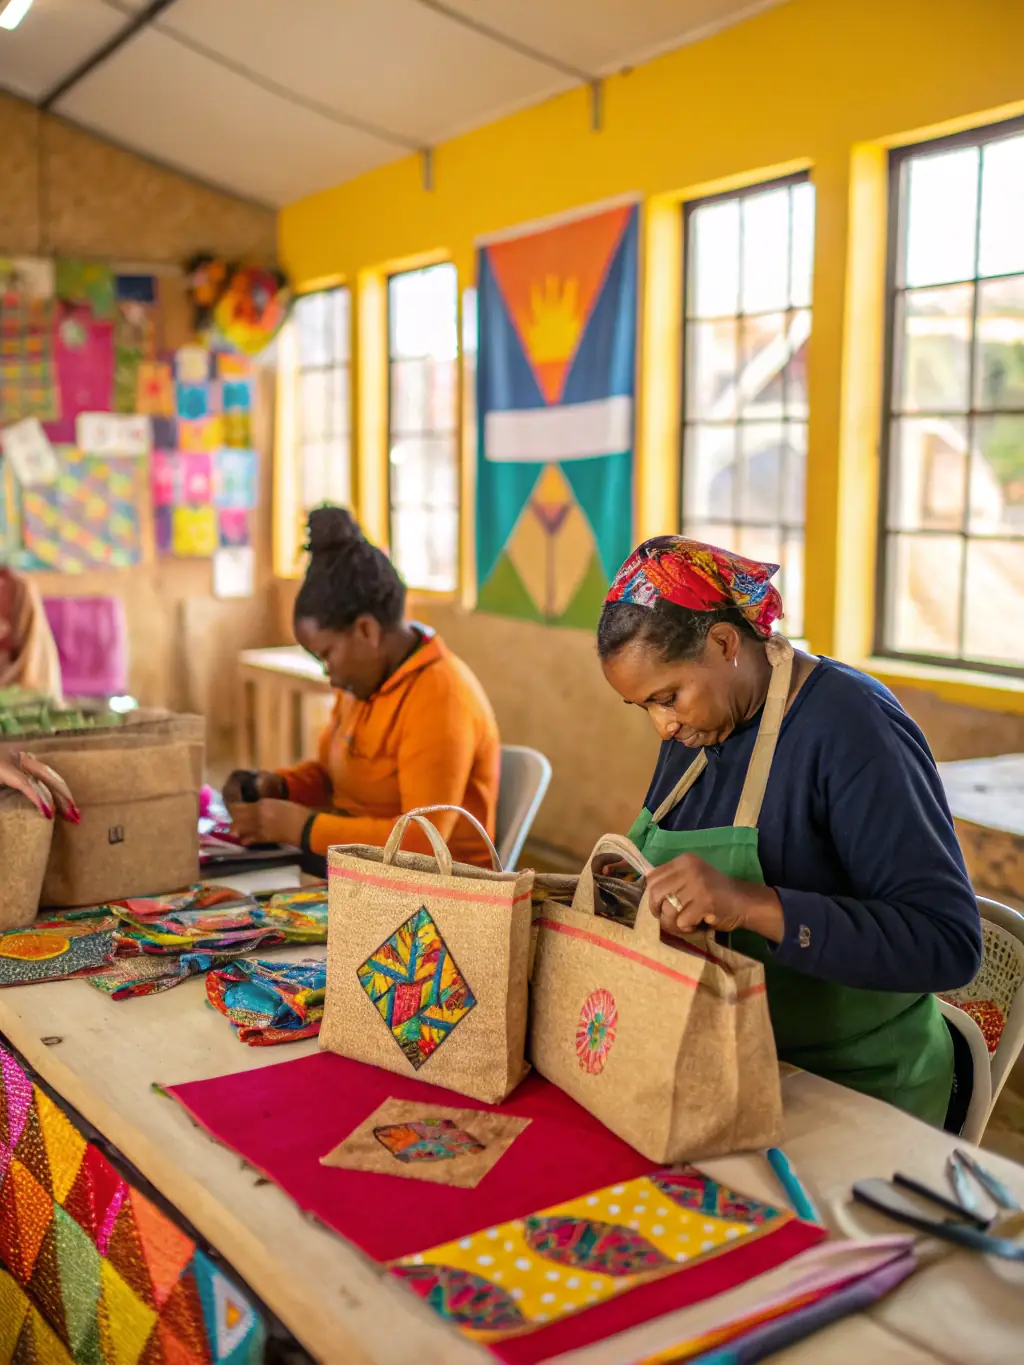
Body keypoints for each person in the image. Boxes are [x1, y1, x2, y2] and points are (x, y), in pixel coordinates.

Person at [596, 535, 981, 1126]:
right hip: (735, 1066)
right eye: (644, 706)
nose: (663, 726)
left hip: (857, 1089)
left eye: (668, 698)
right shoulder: (703, 728)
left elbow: (947, 944)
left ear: (725, 643)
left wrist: (752, 905)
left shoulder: (852, 727)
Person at [226, 508, 501, 867]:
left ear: (366, 631)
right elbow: (332, 778)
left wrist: (304, 829)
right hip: (362, 874)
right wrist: (276, 787)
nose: (329, 674)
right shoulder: (365, 684)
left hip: (438, 895)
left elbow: (423, 845)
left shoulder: (441, 696)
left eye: (327, 655)